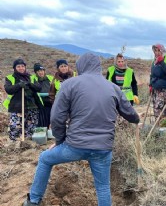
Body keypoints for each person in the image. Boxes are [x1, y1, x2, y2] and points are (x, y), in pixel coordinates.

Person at [22, 53, 140, 206]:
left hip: (74, 146)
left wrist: (60, 140)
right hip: (103, 148)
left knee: (45, 158)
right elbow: (130, 114)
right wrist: (137, 120)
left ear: (80, 66)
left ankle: (33, 201)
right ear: (98, 67)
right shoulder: (113, 87)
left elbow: (57, 117)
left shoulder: (69, 84)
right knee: (103, 187)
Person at [3, 59, 42, 140]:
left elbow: (38, 88)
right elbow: (8, 90)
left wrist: (30, 84)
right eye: (18, 66)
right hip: (17, 107)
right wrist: (19, 85)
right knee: (15, 127)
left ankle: (28, 144)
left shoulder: (31, 77)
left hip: (32, 106)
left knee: (31, 127)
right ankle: (15, 144)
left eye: (23, 66)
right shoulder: (10, 78)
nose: (21, 68)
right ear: (15, 68)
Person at [149, 44, 166, 121]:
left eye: (158, 50)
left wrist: (162, 62)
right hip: (156, 88)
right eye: (155, 51)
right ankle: (159, 127)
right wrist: (150, 85)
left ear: (162, 50)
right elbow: (152, 74)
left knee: (162, 109)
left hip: (165, 88)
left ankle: (164, 127)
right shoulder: (154, 60)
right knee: (156, 108)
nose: (157, 53)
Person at [31, 63, 54, 128]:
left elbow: (56, 88)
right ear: (36, 72)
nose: (41, 72)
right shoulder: (33, 79)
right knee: (41, 123)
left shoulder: (50, 78)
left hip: (50, 103)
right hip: (39, 104)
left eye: (42, 70)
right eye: (38, 71)